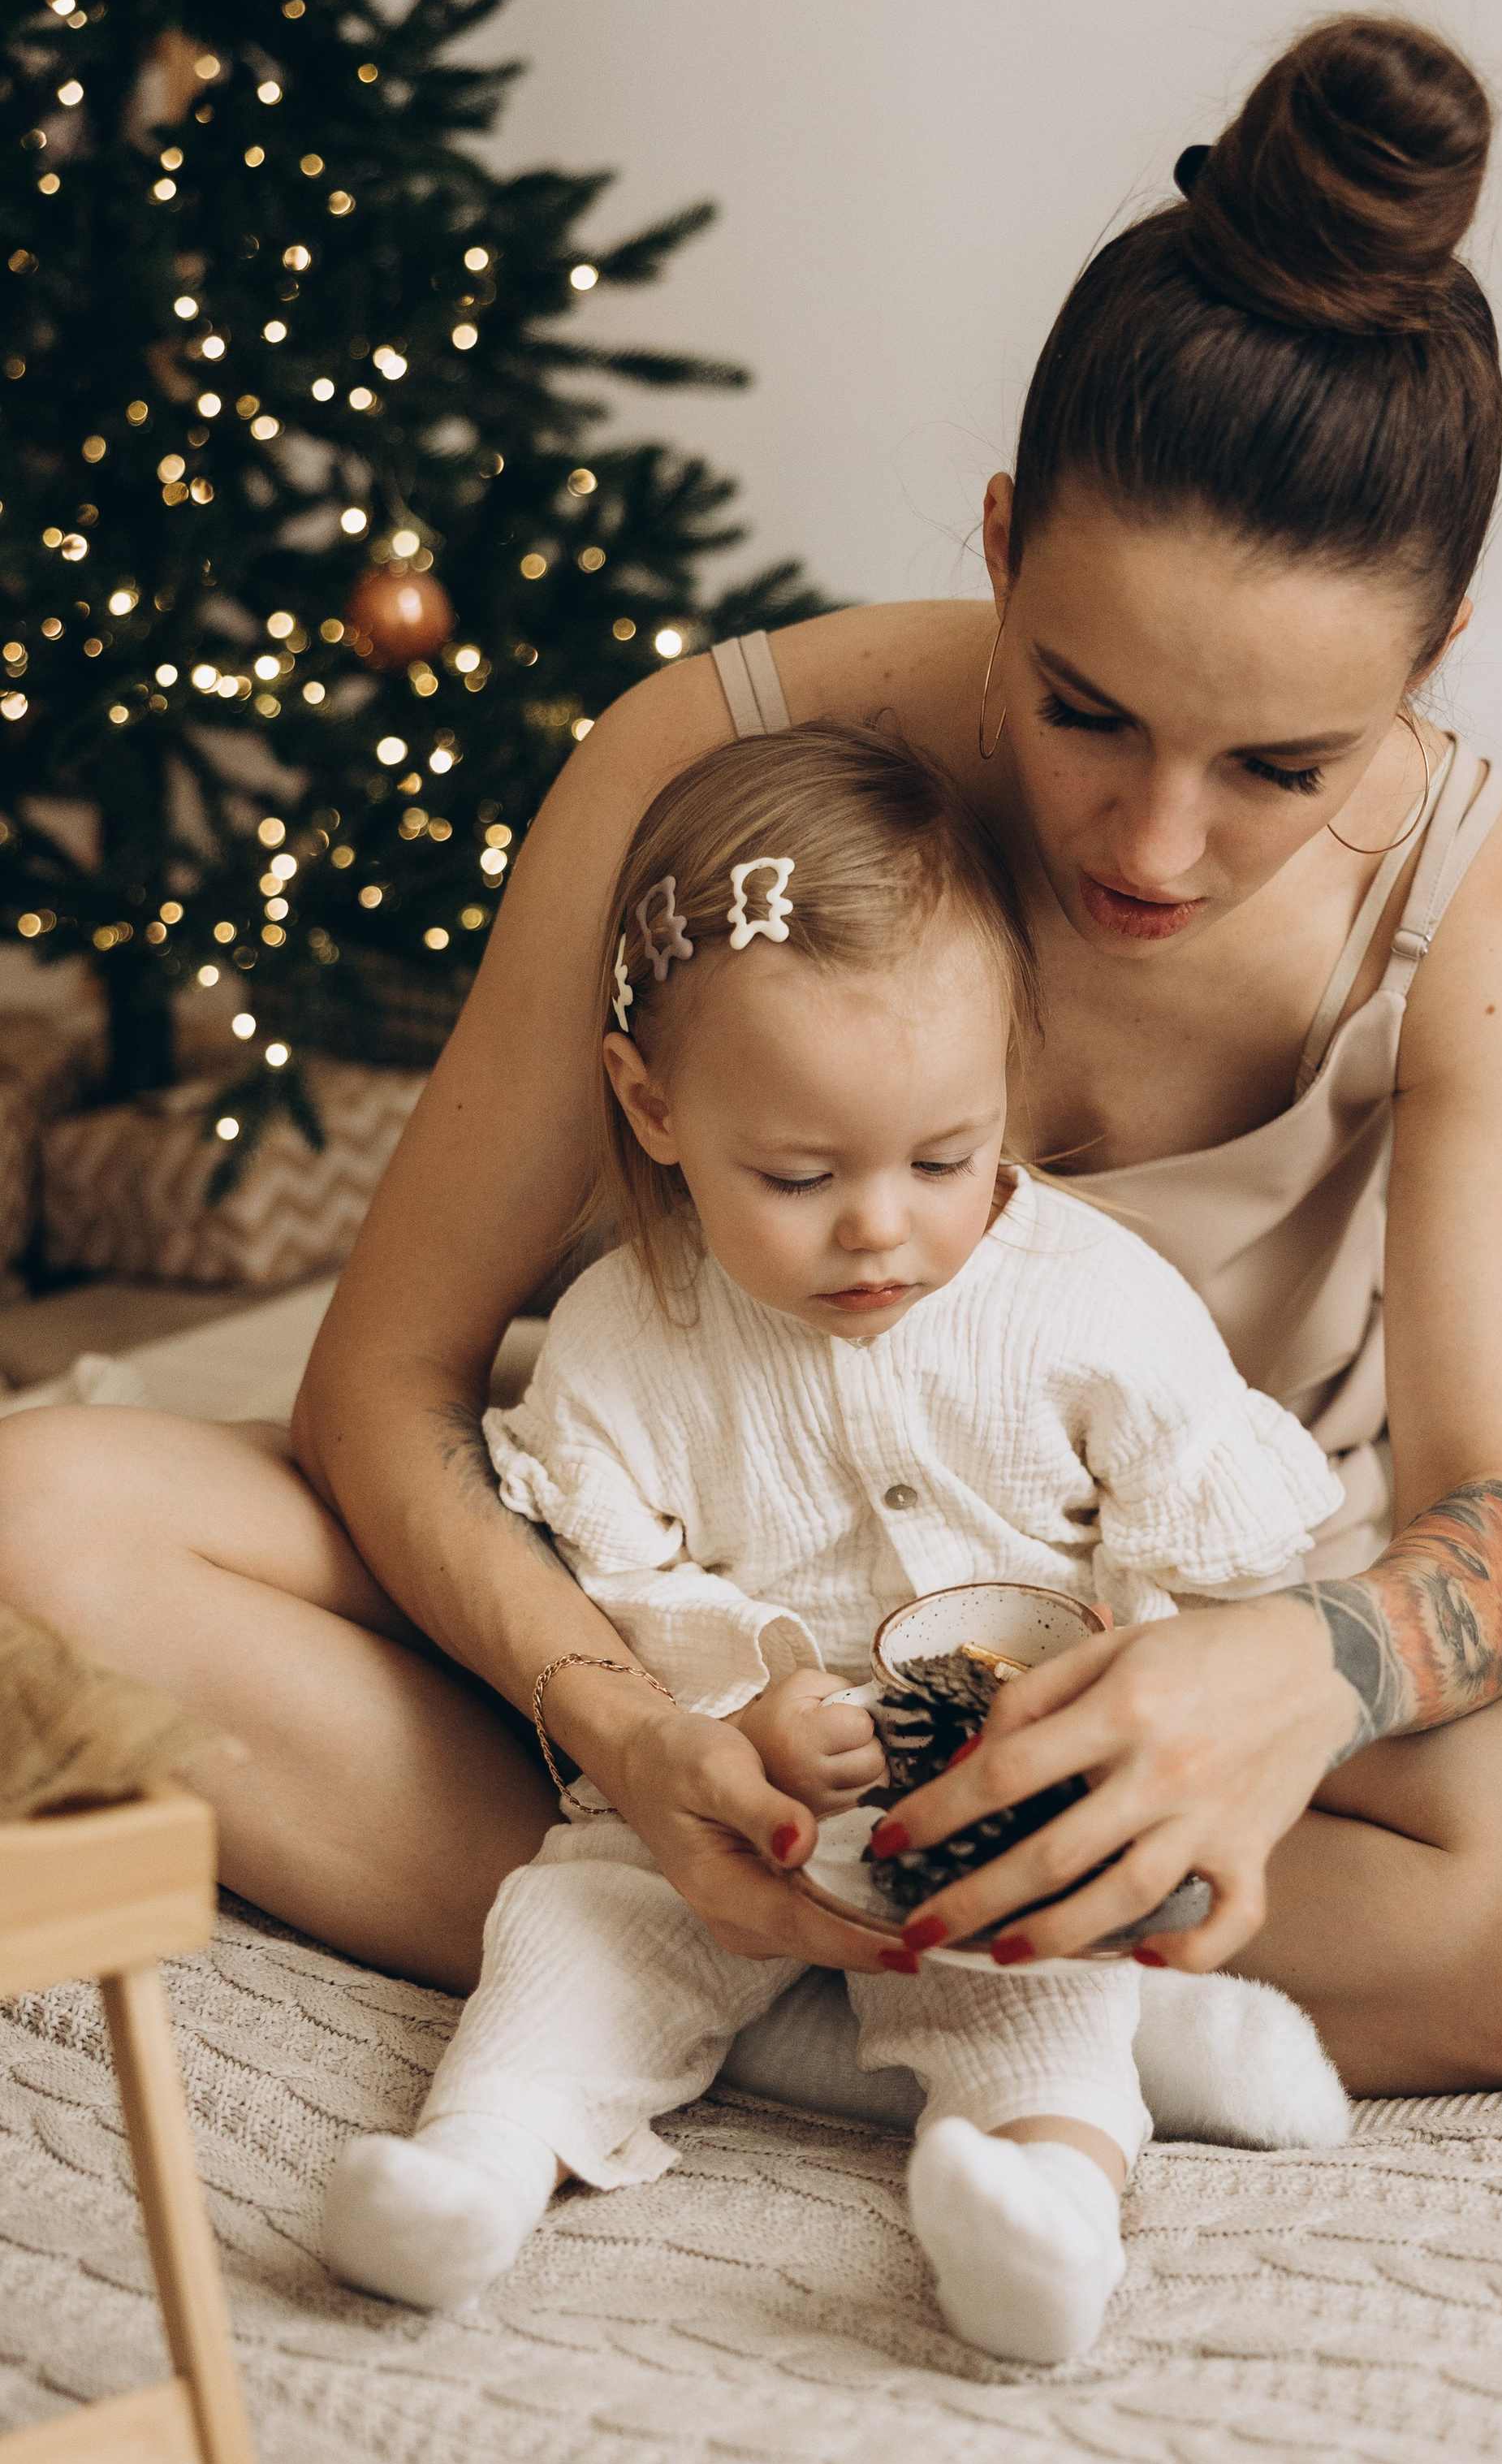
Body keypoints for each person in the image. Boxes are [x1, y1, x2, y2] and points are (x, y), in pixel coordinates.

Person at [0, 11, 1502, 2091]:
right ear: (1005, 545)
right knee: (38, 1524)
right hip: (687, 1600)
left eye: (1279, 766)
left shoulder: (1477, 912)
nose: (1151, 843)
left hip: (1115, 1666)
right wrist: (625, 1723)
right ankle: (801, 1957)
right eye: (1084, 707)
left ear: (1427, 668)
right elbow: (383, 1383)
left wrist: (1296, 1677)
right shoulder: (717, 763)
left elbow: (1500, 1530)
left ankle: (723, 1992)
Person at [322, 722, 1346, 2361]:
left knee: (1045, 2008)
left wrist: (1115, 1707)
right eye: (797, 1174)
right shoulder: (622, 1334)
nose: (882, 1225)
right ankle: (473, 2175)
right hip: (717, 1820)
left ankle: (1044, 2226)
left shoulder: (1095, 1308)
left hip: (998, 1826)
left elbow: (1213, 1577)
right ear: (653, 1109)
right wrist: (731, 1717)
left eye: (946, 1156)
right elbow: (619, 1584)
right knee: (568, 1936)